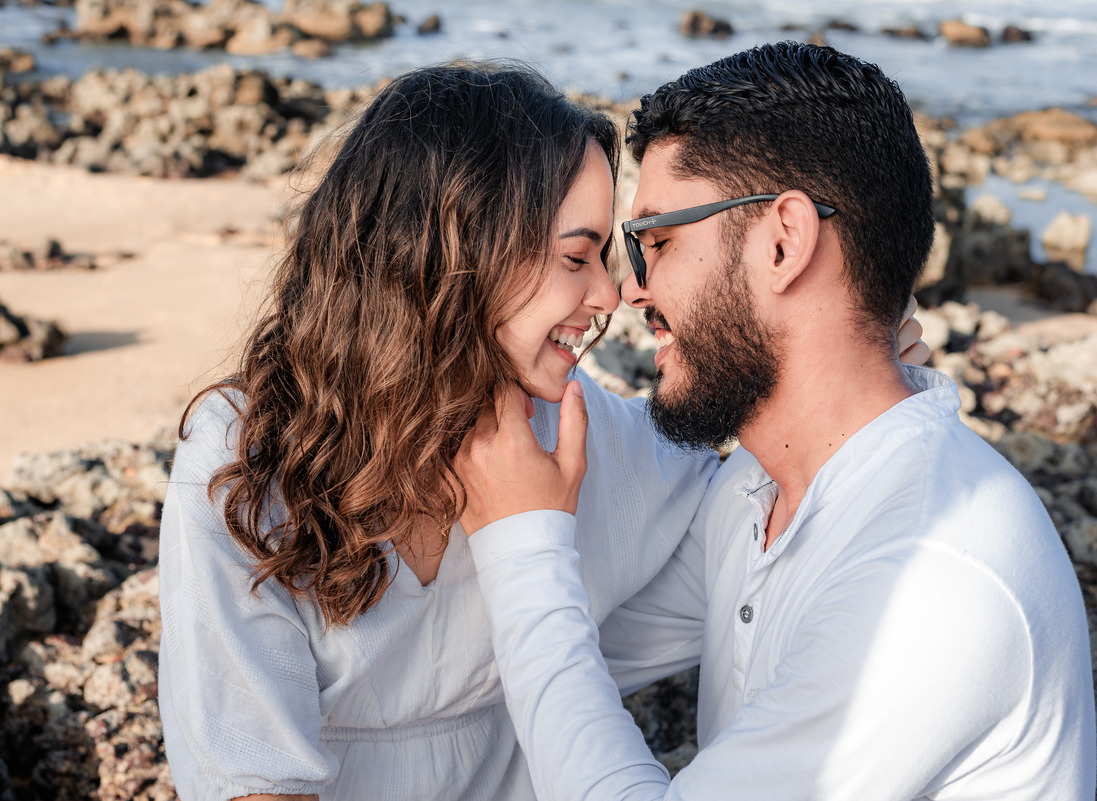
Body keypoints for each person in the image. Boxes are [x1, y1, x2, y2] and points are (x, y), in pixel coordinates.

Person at [457, 42, 1097, 800]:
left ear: (785, 242)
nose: (632, 290)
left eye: (656, 240)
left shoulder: (931, 579)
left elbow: (544, 620)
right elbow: (548, 648)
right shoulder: (758, 494)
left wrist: (526, 548)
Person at [157, 62, 732, 801]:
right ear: (457, 253)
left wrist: (869, 376)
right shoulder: (248, 456)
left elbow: (763, 515)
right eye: (575, 256)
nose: (609, 294)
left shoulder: (573, 431)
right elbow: (255, 781)